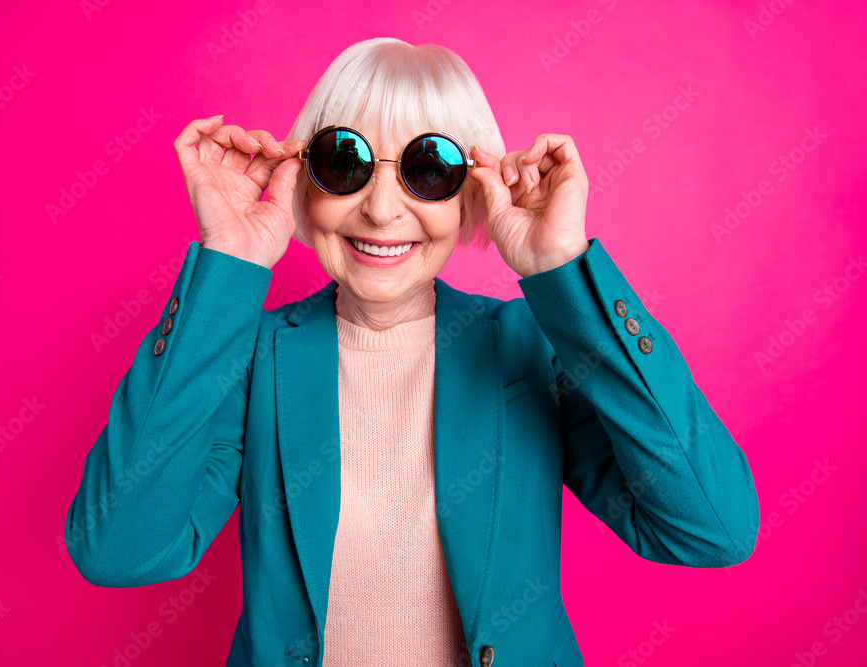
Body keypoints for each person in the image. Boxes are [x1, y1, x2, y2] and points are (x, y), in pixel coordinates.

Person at [64, 37, 760, 667]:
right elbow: (119, 547)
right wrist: (230, 263)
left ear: (474, 193)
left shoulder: (530, 349)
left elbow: (711, 527)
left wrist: (564, 269)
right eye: (346, 163)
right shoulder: (258, 358)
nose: (382, 210)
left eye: (428, 170)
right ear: (303, 177)